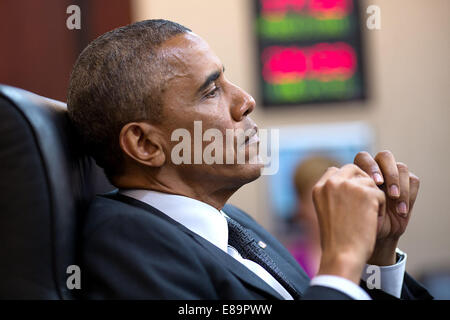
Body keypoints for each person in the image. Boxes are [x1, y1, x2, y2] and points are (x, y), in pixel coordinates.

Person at [67, 19, 432, 299]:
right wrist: (342, 260)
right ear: (145, 144)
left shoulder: (234, 224)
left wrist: (377, 258)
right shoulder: (123, 245)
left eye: (227, 81)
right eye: (210, 91)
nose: (245, 101)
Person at [287, 155, 341, 278]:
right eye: (320, 200)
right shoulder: (289, 263)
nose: (330, 208)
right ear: (301, 205)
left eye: (336, 198)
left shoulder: (364, 262)